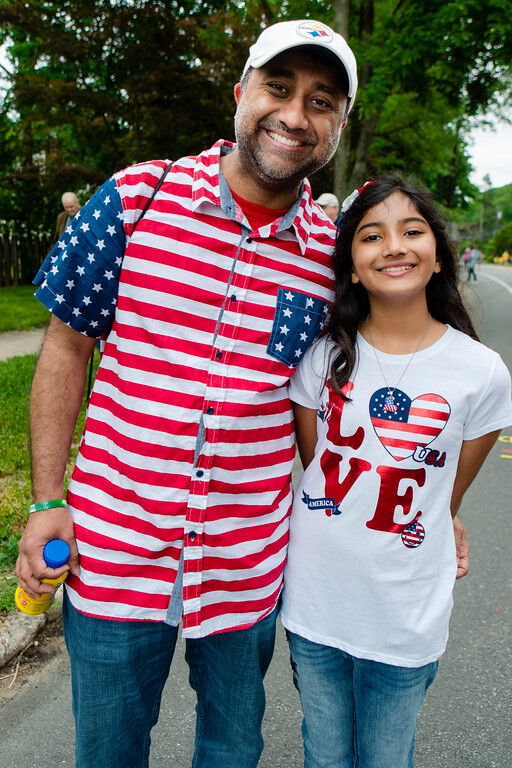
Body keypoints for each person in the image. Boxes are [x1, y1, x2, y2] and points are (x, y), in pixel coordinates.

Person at [15, 19, 361, 768]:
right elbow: (64, 349)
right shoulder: (139, 197)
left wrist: (435, 509)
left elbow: (383, 380)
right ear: (240, 94)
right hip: (116, 553)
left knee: (232, 750)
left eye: (322, 100)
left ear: (338, 126)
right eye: (278, 88)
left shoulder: (332, 260)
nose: (296, 115)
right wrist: (46, 502)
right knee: (106, 754)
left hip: (246, 567)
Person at [281, 174, 512, 768]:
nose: (394, 247)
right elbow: (319, 469)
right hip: (314, 600)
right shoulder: (323, 355)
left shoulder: (481, 374)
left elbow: (444, 494)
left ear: (438, 256)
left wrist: (439, 518)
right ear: (352, 267)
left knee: (386, 756)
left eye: (412, 231)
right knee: (325, 753)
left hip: (406, 613)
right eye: (371, 236)